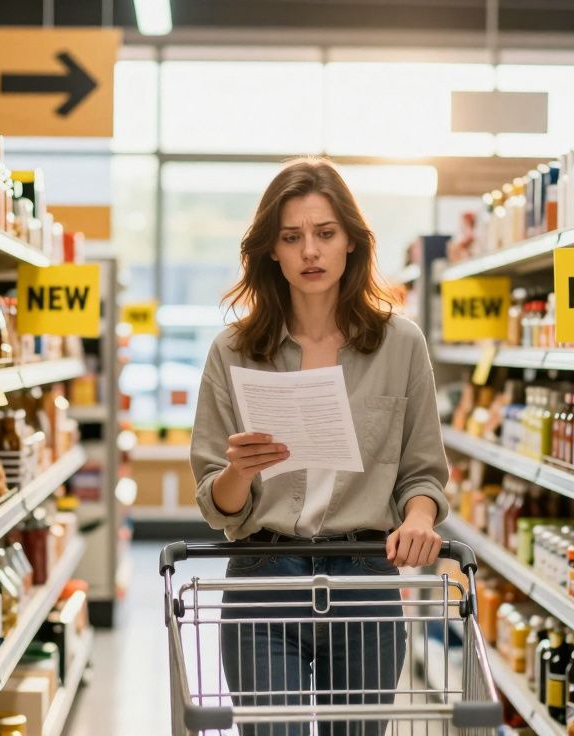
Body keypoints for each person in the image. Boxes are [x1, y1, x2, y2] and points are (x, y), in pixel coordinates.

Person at [190, 157, 450, 735]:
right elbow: (216, 503)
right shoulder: (232, 351)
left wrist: (419, 518)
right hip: (264, 580)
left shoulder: (401, 344)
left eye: (325, 233)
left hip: (365, 578)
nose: (310, 251)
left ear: (351, 242)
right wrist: (238, 472)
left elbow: (422, 472)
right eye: (291, 237)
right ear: (271, 251)